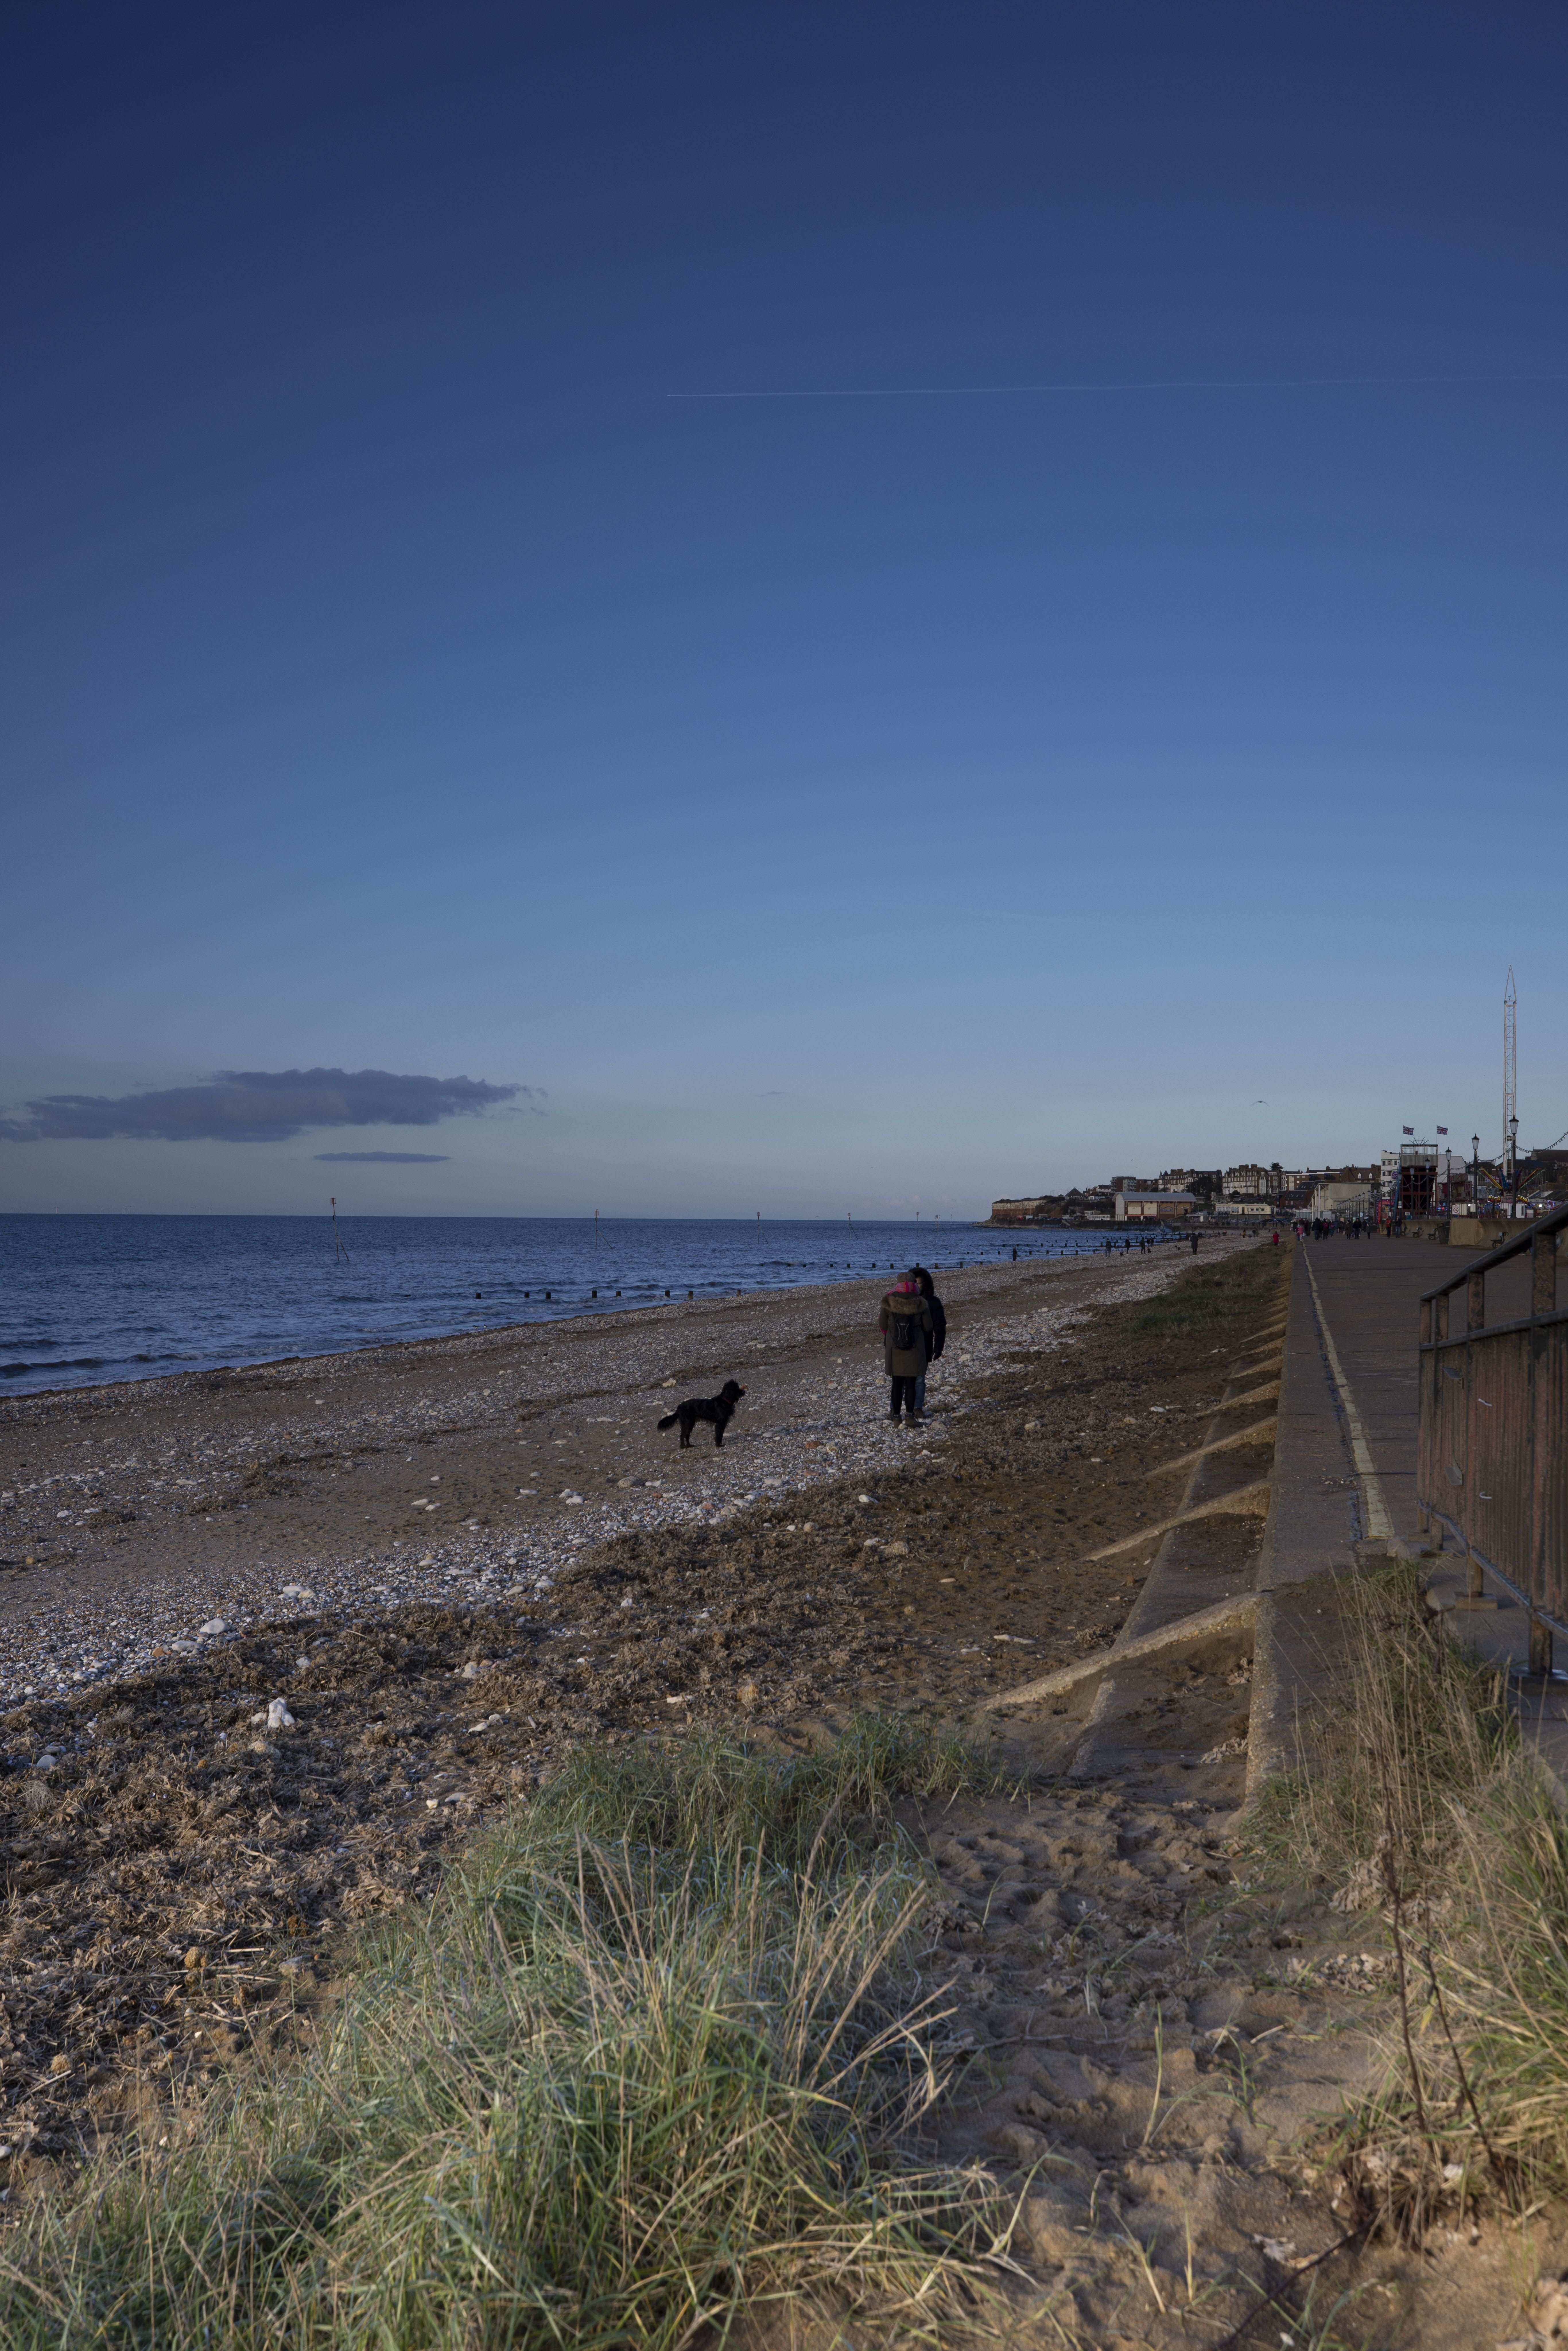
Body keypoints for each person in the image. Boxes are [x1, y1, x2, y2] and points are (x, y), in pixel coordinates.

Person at [878, 1269, 934, 1425]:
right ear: (913, 1284)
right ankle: (910, 1417)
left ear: (898, 1284)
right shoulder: (920, 1302)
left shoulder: (889, 1301)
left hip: (894, 1349)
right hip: (914, 1348)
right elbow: (929, 1327)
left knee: (897, 1384)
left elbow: (882, 1325)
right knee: (911, 1384)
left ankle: (896, 1418)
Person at [911, 1264, 946, 1416]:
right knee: (902, 1380)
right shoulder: (902, 1302)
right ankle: (896, 1409)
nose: (916, 1286)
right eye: (913, 1283)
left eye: (918, 1283)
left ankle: (917, 1408)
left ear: (925, 1284)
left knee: (919, 1379)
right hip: (904, 1347)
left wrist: (939, 1347)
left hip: (924, 1346)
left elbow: (940, 1326)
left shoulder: (933, 1302)